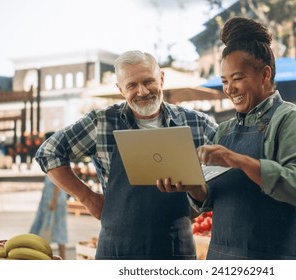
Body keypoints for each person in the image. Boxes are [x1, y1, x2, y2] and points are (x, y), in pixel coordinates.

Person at [157, 17, 296, 260]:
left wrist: (239, 161)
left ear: (265, 74)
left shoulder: (293, 119)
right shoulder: (224, 131)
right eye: (225, 81)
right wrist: (189, 184)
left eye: (237, 78)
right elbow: (212, 197)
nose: (229, 89)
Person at [35, 50, 218, 260]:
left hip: (175, 248)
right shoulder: (102, 122)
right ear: (121, 89)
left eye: (148, 81)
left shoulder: (197, 123)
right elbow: (48, 153)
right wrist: (88, 198)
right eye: (132, 85)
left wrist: (198, 197)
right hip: (116, 250)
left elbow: (225, 170)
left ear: (161, 79)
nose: (142, 91)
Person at [30, 132, 69, 259]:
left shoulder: (54, 154)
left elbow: (59, 181)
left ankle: (56, 257)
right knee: (54, 228)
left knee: (55, 228)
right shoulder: (55, 153)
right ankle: (56, 257)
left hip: (55, 199)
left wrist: (53, 200)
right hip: (52, 198)